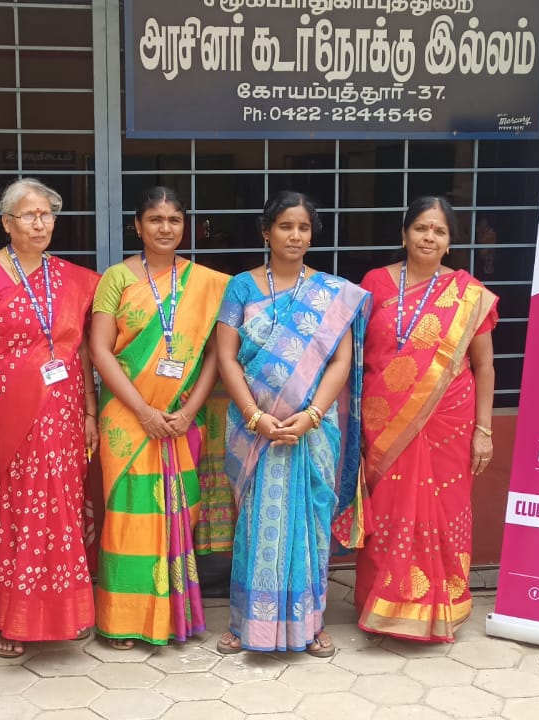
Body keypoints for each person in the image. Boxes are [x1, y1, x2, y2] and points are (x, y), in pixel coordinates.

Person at [212, 190, 370, 658]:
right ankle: (245, 623)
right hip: (254, 430)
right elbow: (226, 357)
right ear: (266, 232)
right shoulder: (241, 287)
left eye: (303, 227)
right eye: (285, 226)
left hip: (311, 430)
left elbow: (340, 360)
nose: (295, 236)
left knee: (311, 524)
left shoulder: (331, 293)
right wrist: (255, 416)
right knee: (254, 524)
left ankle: (312, 623)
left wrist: (312, 415)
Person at [0, 177, 100, 658]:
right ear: (7, 223)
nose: (39, 224)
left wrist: (90, 412)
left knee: (63, 511)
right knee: (17, 515)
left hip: (63, 420)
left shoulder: (69, 278)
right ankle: (12, 618)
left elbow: (80, 351)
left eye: (46, 215)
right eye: (28, 215)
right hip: (10, 420)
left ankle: (66, 614)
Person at [351, 196, 498, 643]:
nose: (428, 237)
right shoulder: (375, 282)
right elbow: (357, 354)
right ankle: (383, 604)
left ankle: (442, 606)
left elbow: (484, 366)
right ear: (404, 234)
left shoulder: (468, 294)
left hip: (449, 422)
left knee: (445, 510)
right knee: (388, 511)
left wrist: (484, 430)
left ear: (450, 242)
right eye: (420, 228)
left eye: (439, 231)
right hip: (384, 422)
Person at [88, 187, 229, 649]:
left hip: (181, 417)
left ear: (184, 226)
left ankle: (172, 616)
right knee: (129, 518)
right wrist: (144, 411)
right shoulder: (116, 278)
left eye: (173, 220)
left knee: (178, 512)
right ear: (137, 226)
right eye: (155, 219)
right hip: (127, 417)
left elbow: (216, 355)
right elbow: (100, 350)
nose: (165, 228)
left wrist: (189, 411)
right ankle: (122, 620)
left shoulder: (207, 283)